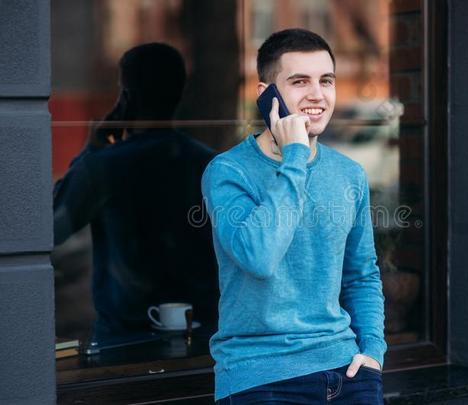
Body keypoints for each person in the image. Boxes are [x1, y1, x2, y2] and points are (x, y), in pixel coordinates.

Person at [202, 29, 387, 404]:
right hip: (261, 377)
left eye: (326, 81)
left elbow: (362, 273)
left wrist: (373, 352)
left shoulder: (349, 173)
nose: (317, 95)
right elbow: (260, 257)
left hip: (349, 373)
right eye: (299, 81)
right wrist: (295, 157)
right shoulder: (228, 172)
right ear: (265, 95)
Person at [54, 43, 219, 338]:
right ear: (179, 94)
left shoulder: (104, 167)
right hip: (201, 332)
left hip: (124, 340)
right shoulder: (209, 163)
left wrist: (90, 151)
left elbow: (51, 229)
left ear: (126, 98)